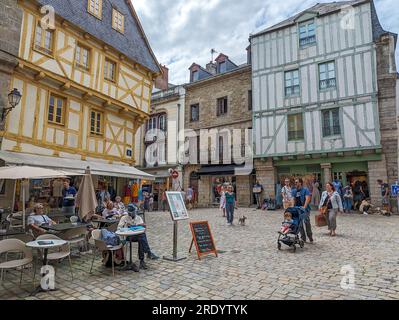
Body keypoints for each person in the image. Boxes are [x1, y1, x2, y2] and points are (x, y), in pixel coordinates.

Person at [118, 204, 159, 270]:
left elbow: (143, 229)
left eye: (133, 212)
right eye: (130, 213)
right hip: (127, 236)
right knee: (142, 237)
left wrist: (141, 225)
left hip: (136, 236)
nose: (131, 214)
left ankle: (142, 260)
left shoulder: (138, 218)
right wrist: (126, 225)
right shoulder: (124, 218)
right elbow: (119, 228)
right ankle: (147, 253)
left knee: (141, 237)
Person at [291, 178, 313, 243]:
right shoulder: (294, 191)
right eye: (295, 182)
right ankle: (303, 238)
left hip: (305, 209)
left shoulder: (305, 190)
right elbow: (292, 199)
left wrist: (304, 207)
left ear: (300, 183)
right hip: (297, 209)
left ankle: (310, 236)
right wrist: (292, 207)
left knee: (307, 222)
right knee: (299, 224)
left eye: (297, 182)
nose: (295, 183)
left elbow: (307, 198)